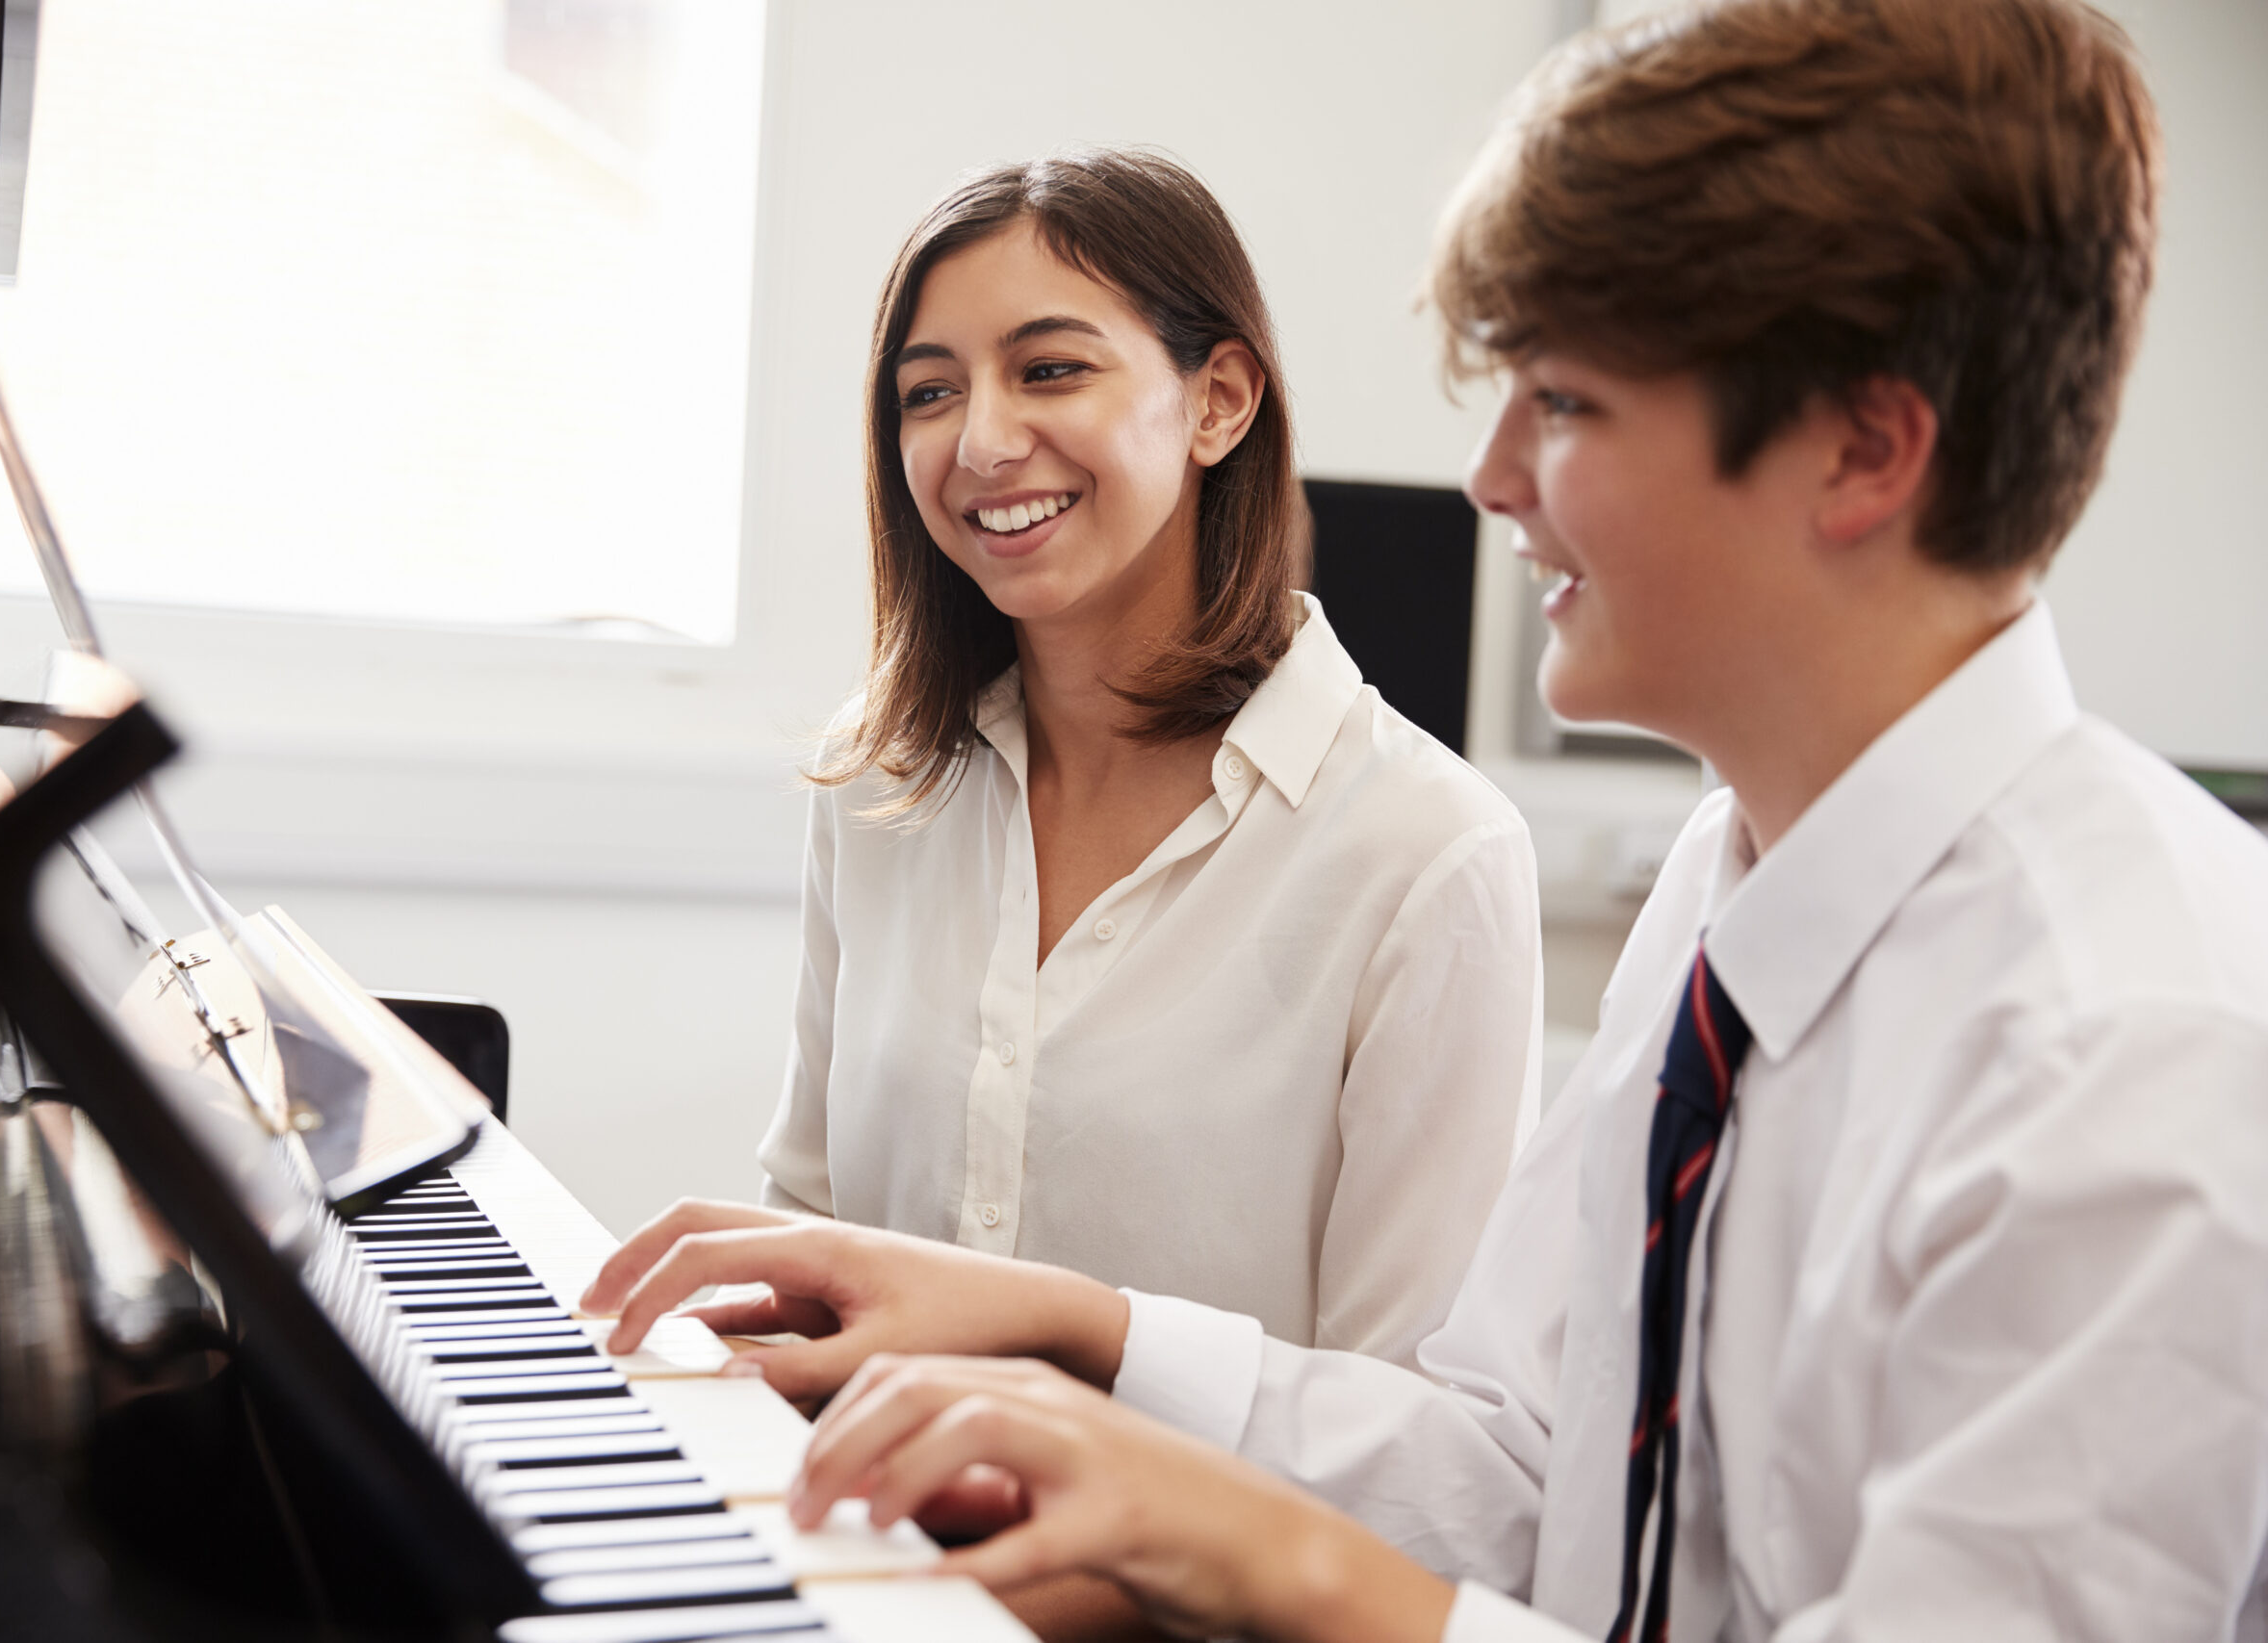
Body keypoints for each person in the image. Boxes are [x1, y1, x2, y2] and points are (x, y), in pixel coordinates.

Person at [585, 1, 2268, 1638]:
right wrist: (1070, 1331)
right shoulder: (1731, 883)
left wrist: (1277, 1565)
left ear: (1864, 450)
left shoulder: (2133, 1039)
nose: (1490, 478)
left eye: (1567, 402)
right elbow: (1522, 1468)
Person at [746, 148, 1542, 1366]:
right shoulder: (879, 780)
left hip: (1197, 1564)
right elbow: (810, 1230)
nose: (980, 442)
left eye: (1048, 370)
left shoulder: (1428, 852)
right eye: (928, 392)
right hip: (858, 1537)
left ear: (1218, 401)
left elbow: (1411, 1435)